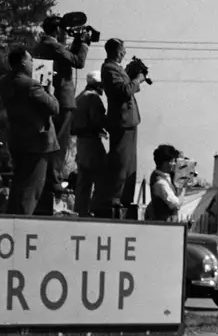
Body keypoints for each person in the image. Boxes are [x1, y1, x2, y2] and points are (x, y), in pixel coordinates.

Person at [0, 46, 60, 216]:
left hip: (17, 139)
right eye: (31, 60)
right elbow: (54, 107)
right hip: (37, 142)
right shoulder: (31, 85)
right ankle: (23, 219)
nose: (33, 63)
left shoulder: (4, 82)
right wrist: (50, 91)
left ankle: (13, 214)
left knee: (19, 183)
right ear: (23, 62)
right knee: (32, 187)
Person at [32, 14, 90, 192]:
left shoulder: (43, 45)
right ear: (57, 30)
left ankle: (49, 178)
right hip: (61, 98)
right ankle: (54, 180)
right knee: (59, 143)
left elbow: (68, 57)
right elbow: (77, 61)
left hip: (51, 97)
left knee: (53, 141)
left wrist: (77, 43)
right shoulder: (53, 45)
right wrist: (84, 43)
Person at [99, 40, 144, 218]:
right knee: (121, 160)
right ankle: (114, 198)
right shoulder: (109, 69)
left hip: (129, 120)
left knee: (129, 162)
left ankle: (124, 197)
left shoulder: (115, 69)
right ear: (117, 52)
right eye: (123, 50)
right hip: (122, 120)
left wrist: (129, 73)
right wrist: (137, 79)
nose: (124, 52)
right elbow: (123, 91)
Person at [69, 77, 110, 216]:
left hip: (81, 143)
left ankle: (80, 210)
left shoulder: (79, 97)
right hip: (92, 142)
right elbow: (97, 120)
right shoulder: (93, 98)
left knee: (83, 180)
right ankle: (96, 209)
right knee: (101, 176)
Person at [144, 145, 182, 221]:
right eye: (172, 161)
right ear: (164, 163)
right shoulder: (160, 182)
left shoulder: (166, 177)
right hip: (163, 223)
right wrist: (184, 186)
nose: (174, 164)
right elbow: (176, 204)